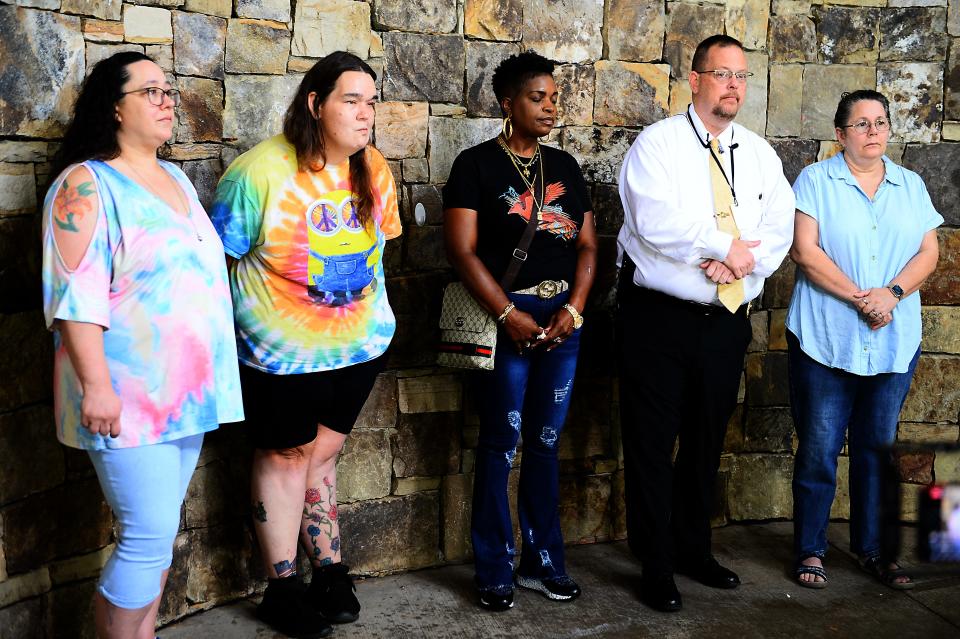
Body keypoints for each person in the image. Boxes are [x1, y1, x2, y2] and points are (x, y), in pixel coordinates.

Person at [40, 51, 243, 638]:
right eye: (150, 91)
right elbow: (75, 296)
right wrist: (97, 388)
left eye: (169, 90)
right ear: (114, 107)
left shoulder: (173, 176)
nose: (167, 100)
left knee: (159, 534)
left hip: (184, 395)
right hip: (127, 397)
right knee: (147, 538)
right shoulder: (85, 183)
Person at [210, 51, 401, 638]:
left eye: (371, 101)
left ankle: (328, 569)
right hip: (282, 355)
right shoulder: (256, 173)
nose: (366, 113)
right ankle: (282, 586)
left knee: (321, 454)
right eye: (351, 100)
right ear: (315, 104)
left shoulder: (375, 169)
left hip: (358, 348)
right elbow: (219, 262)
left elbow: (380, 247)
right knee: (286, 456)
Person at [615, 35, 795, 612]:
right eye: (722, 74)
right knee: (650, 443)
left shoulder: (761, 153)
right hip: (659, 320)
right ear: (694, 81)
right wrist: (719, 245)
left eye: (742, 75)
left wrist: (743, 261)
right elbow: (653, 220)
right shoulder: (659, 144)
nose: (733, 85)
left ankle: (695, 549)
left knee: (705, 439)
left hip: (725, 320)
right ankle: (656, 563)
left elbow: (779, 225)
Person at [443, 51, 597, 612]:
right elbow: (460, 251)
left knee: (546, 444)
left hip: (561, 324)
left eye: (554, 98)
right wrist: (509, 315)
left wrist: (574, 309)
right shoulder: (475, 165)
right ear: (507, 103)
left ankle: (543, 562)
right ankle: (494, 568)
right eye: (538, 97)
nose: (550, 107)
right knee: (500, 444)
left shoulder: (565, 166)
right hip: (504, 321)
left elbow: (586, 245)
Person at [787, 90, 941, 590]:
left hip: (894, 341)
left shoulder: (910, 184)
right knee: (819, 449)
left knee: (876, 450)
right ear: (840, 134)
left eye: (880, 122)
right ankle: (810, 548)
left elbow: (928, 252)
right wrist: (863, 299)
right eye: (861, 124)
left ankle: (874, 550)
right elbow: (805, 253)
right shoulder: (816, 180)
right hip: (825, 339)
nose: (872, 131)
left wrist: (891, 294)